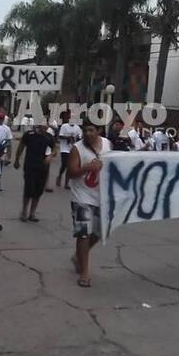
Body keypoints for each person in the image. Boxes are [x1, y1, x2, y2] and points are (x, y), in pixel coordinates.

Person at [68, 118, 111, 288]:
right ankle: (84, 272)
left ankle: (78, 255)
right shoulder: (76, 149)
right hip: (81, 197)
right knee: (83, 233)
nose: (87, 133)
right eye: (85, 130)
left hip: (101, 196)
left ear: (99, 130)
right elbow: (71, 173)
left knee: (101, 232)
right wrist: (86, 168)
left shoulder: (108, 144)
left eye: (91, 130)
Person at [14, 121, 55, 222]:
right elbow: (21, 147)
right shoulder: (29, 135)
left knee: (38, 190)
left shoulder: (49, 137)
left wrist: (50, 156)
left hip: (43, 167)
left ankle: (32, 213)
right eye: (43, 124)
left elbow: (54, 149)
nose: (45, 127)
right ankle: (24, 211)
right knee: (28, 189)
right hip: (30, 166)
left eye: (46, 125)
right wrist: (17, 159)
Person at [57, 112, 78, 189]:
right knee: (64, 164)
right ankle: (59, 176)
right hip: (64, 148)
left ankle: (66, 183)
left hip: (72, 149)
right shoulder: (64, 126)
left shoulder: (77, 128)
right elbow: (60, 136)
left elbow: (79, 137)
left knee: (70, 166)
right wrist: (68, 137)